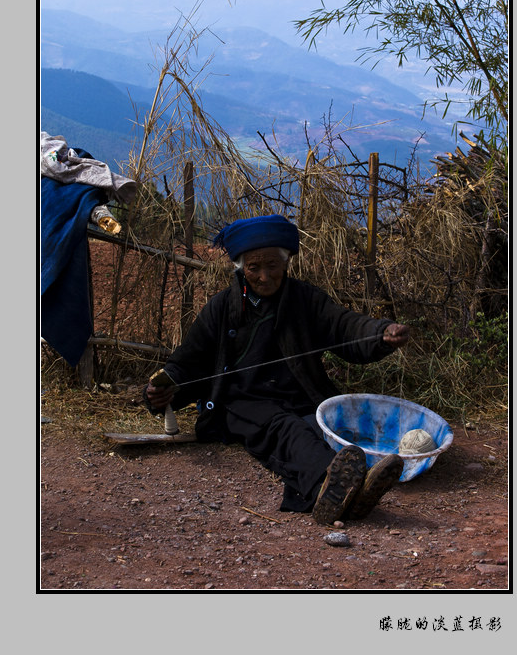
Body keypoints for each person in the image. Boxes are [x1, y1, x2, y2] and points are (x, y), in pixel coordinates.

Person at [144, 214, 410, 525]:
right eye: (254, 268)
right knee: (288, 431)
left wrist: (381, 333)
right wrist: (161, 391)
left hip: (300, 396)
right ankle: (325, 488)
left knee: (319, 428)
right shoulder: (221, 308)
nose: (264, 276)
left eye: (272, 265)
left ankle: (352, 493)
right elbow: (187, 362)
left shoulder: (305, 300)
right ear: (242, 268)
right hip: (242, 403)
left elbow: (345, 326)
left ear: (285, 264)